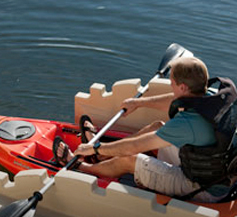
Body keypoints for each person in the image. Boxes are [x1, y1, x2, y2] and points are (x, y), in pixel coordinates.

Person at [53, 56, 237, 202]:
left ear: (182, 86)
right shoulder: (212, 97)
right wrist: (138, 103)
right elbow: (176, 101)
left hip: (201, 188)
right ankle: (103, 157)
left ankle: (82, 166)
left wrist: (95, 146)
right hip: (215, 173)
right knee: (157, 126)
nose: (171, 86)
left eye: (172, 83)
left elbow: (135, 147)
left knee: (130, 159)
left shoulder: (187, 123)